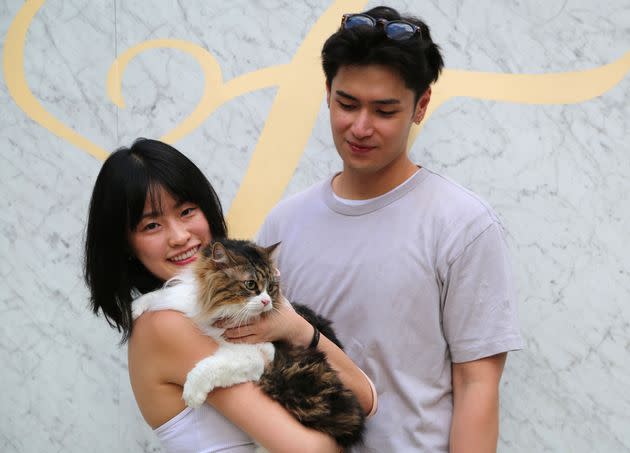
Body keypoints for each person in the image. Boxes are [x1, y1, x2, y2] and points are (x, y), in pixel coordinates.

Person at [255, 6, 524, 452]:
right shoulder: (285, 224)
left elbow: (478, 384)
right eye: (347, 104)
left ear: (421, 106)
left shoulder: (462, 224)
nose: (360, 127)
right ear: (326, 93)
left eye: (384, 110)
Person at [84, 138, 376, 453]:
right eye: (152, 225)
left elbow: (367, 398)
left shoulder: (211, 310)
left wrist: (294, 327)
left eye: (186, 211)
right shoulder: (164, 326)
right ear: (126, 244)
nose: (180, 236)